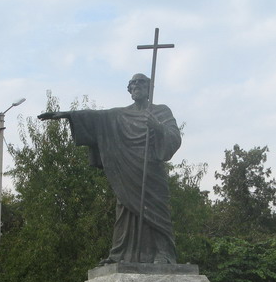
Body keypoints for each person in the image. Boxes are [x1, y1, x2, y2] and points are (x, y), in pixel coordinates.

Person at [38, 73, 181, 264]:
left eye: (141, 83)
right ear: (129, 90)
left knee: (156, 211)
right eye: (133, 84)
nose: (136, 86)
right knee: (125, 212)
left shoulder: (161, 111)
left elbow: (174, 137)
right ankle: (121, 255)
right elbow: (96, 118)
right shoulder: (119, 115)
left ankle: (163, 254)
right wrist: (67, 115)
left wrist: (157, 126)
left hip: (151, 170)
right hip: (127, 172)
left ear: (149, 88)